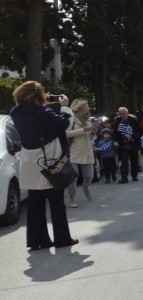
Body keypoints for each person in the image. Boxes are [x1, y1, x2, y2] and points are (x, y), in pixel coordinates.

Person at [10, 81, 79, 250]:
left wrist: (43, 104)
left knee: (35, 204)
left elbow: (34, 116)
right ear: (37, 96)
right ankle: (62, 239)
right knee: (56, 202)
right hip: (49, 161)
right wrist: (64, 107)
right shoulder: (44, 113)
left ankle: (37, 241)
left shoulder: (15, 112)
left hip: (29, 163)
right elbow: (64, 124)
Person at [64, 99, 98, 207]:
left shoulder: (87, 119)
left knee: (89, 176)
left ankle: (85, 187)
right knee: (73, 177)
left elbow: (90, 136)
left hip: (87, 151)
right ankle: (72, 199)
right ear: (80, 108)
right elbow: (65, 134)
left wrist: (93, 132)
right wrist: (83, 130)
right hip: (74, 151)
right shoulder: (71, 118)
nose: (89, 107)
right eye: (87, 105)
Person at [114, 107, 143, 183]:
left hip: (133, 144)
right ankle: (124, 178)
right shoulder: (117, 121)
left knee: (134, 161)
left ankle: (134, 176)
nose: (122, 115)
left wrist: (132, 136)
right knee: (124, 162)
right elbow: (115, 133)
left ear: (127, 113)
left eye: (123, 114)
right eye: (120, 114)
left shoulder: (134, 120)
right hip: (123, 144)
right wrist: (115, 140)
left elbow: (141, 131)